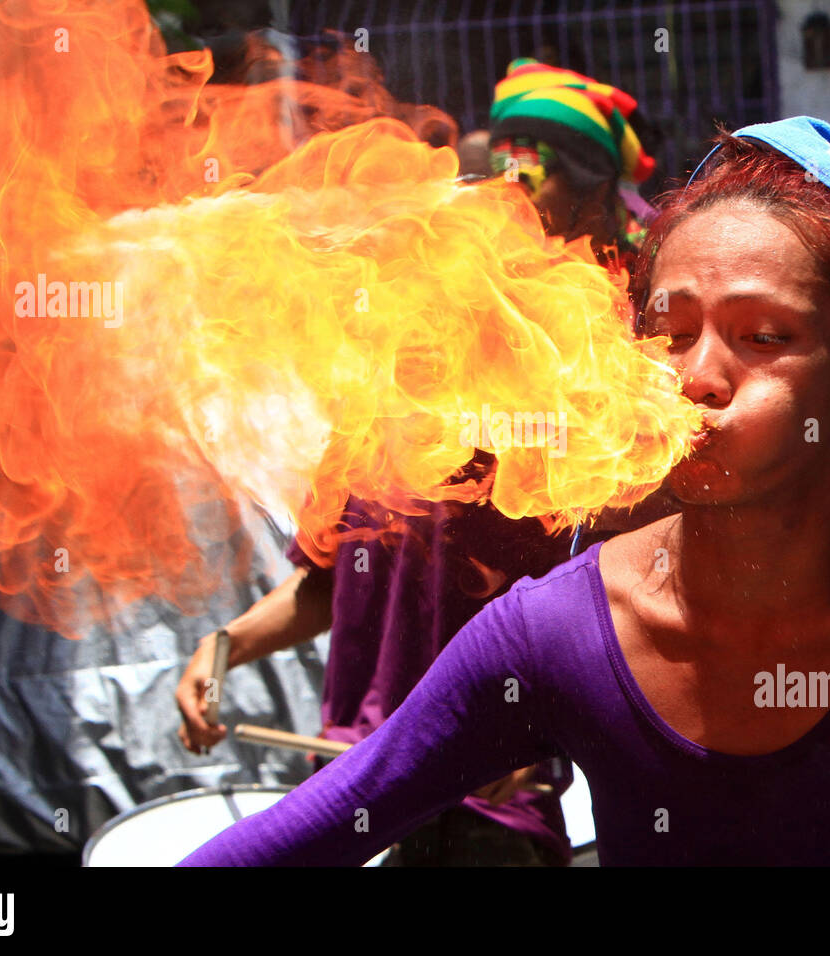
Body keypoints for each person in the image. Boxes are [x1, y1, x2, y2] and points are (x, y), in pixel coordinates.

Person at [179, 117, 830, 866]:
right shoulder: (556, 632)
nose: (696, 375)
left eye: (762, 336)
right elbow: (310, 830)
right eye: (668, 330)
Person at [177, 67, 661, 866]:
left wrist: (546, 730)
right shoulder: (374, 398)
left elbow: (619, 609)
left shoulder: (565, 418)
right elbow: (328, 580)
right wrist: (222, 645)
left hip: (487, 810)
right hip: (352, 789)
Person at [487, 58, 657, 284]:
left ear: (596, 186)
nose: (510, 200)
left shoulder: (654, 271)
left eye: (530, 179)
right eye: (503, 178)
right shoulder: (495, 277)